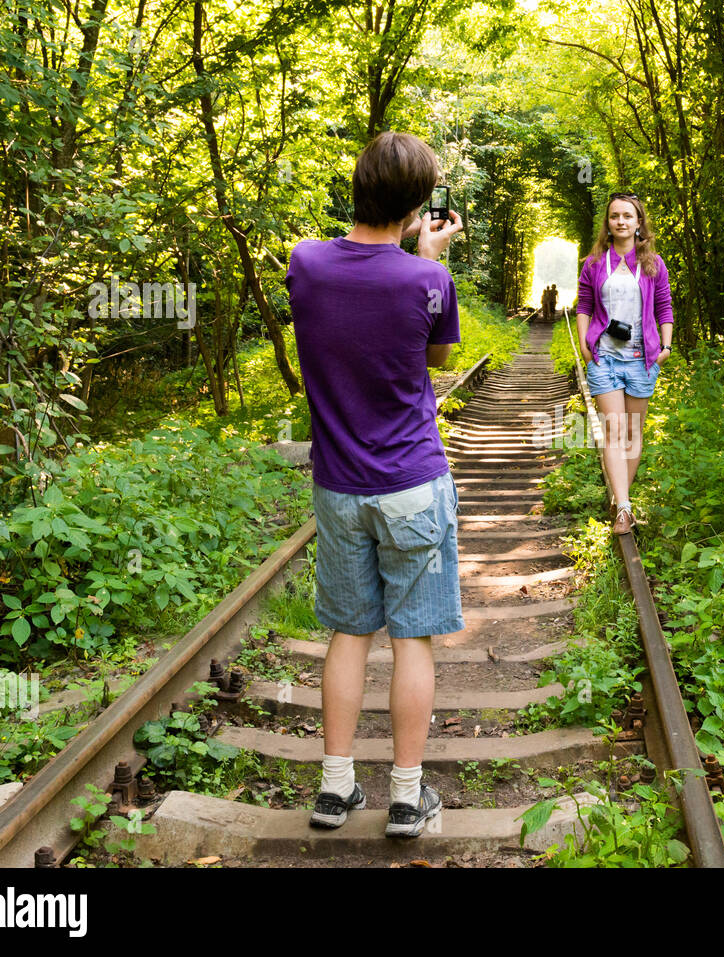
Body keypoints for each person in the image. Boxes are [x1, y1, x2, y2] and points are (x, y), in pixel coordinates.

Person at [284, 130, 464, 838]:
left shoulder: (306, 263)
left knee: (348, 634)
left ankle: (334, 789)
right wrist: (426, 261)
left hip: (339, 487)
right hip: (414, 482)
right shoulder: (429, 280)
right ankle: (406, 796)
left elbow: (343, 298)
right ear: (419, 206)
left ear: (359, 185)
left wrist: (406, 250)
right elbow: (434, 354)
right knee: (412, 639)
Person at [575, 191, 673, 535]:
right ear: (608, 223)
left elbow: (664, 306)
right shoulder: (593, 264)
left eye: (627, 216)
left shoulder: (653, 264)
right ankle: (624, 509)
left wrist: (667, 345)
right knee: (615, 431)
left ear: (638, 222)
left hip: (641, 359)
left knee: (633, 433)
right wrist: (588, 349)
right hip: (606, 358)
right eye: (614, 216)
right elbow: (584, 305)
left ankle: (622, 500)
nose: (620, 221)